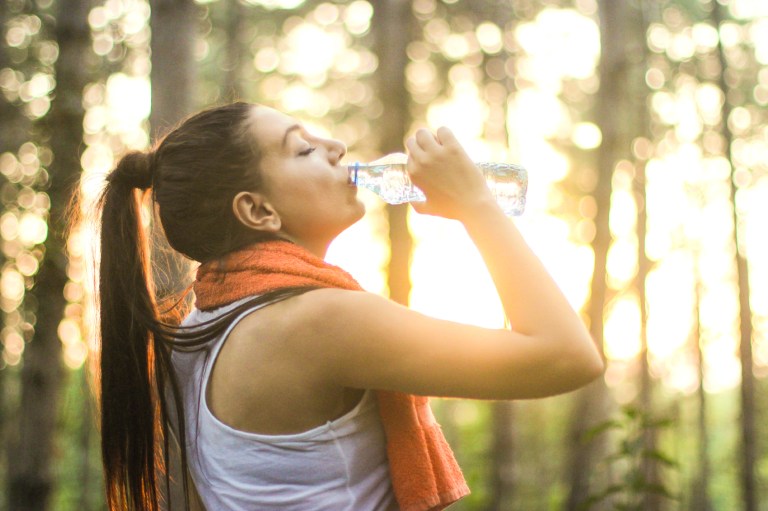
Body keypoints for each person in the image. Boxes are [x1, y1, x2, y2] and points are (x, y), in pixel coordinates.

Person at [92, 101, 603, 511]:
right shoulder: (318, 321)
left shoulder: (200, 328)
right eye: (303, 151)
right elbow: (567, 357)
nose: (335, 146)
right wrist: (477, 205)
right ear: (257, 209)